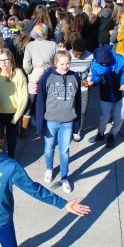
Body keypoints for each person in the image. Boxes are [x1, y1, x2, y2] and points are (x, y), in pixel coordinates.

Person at [36, 50, 81, 193]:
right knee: (49, 148)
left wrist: (77, 123)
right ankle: (49, 168)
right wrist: (39, 122)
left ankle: (64, 177)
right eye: (62, 63)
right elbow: (40, 101)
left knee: (64, 151)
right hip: (51, 121)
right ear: (56, 63)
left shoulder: (75, 77)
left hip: (68, 121)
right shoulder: (47, 77)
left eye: (68, 63)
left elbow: (78, 102)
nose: (65, 66)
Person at [85, 47, 124, 149]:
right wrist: (93, 81)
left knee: (119, 116)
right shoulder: (95, 63)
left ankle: (113, 134)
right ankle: (100, 134)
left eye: (106, 62)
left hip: (121, 92)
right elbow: (96, 76)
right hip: (106, 93)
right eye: (102, 63)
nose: (104, 64)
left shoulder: (119, 59)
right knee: (104, 116)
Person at [0, 48, 28, 157]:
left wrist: (16, 117)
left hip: (13, 114)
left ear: (11, 59)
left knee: (11, 139)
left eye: (6, 60)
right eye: (1, 60)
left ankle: (11, 159)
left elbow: (24, 97)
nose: (4, 63)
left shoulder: (18, 73)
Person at [21, 23, 57, 137]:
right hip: (49, 78)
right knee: (46, 103)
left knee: (29, 104)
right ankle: (42, 127)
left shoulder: (30, 46)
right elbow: (56, 62)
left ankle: (23, 130)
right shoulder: (53, 44)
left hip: (33, 78)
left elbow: (26, 66)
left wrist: (30, 72)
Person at [68, 38, 93, 141]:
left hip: (84, 87)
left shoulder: (90, 56)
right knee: (69, 108)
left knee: (82, 110)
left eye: (80, 54)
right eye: (76, 54)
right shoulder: (67, 56)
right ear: (72, 49)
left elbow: (92, 72)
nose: (78, 56)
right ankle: (69, 128)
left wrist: (88, 80)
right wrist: (76, 81)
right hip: (70, 86)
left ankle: (78, 129)